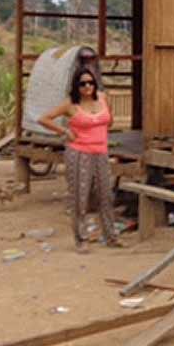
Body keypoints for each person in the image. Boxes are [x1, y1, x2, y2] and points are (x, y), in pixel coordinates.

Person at [39, 68, 123, 253]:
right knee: (80, 196)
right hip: (79, 153)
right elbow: (44, 119)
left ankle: (110, 236)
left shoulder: (103, 98)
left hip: (101, 152)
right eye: (82, 83)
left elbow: (110, 121)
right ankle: (81, 239)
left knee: (105, 195)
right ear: (76, 86)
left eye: (90, 82)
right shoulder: (71, 104)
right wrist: (65, 132)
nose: (87, 87)